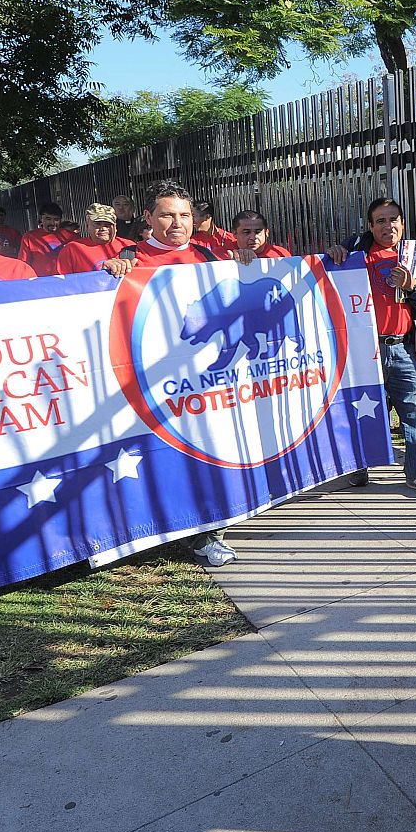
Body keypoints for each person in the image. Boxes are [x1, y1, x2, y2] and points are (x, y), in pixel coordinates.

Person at [131, 180, 255, 566]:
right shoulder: (129, 260)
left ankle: (210, 528)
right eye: (167, 215)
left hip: (207, 379)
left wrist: (244, 263)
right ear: (148, 218)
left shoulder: (208, 257)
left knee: (210, 449)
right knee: (168, 455)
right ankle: (181, 529)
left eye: (185, 215)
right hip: (155, 382)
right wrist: (109, 272)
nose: (177, 223)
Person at [326, 198, 416, 496]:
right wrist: (333, 254)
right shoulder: (354, 252)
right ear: (370, 226)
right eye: (380, 220)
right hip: (362, 350)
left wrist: (413, 286)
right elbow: (327, 281)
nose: (387, 225)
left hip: (404, 347)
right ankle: (357, 467)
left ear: (402, 224)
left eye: (393, 219)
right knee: (358, 408)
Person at [55, 203, 136, 275]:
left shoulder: (129, 246)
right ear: (87, 226)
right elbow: (62, 282)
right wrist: (101, 271)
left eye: (108, 224)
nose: (103, 228)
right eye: (98, 224)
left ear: (115, 226)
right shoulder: (72, 249)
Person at [18, 202, 66, 277]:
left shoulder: (70, 236)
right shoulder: (29, 237)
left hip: (65, 280)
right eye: (48, 219)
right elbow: (23, 264)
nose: (52, 223)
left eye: (56, 219)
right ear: (41, 219)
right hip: (40, 281)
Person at [225, 210, 293, 260]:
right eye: (246, 232)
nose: (253, 237)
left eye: (258, 232)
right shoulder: (223, 255)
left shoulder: (281, 255)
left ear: (266, 233)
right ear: (234, 233)